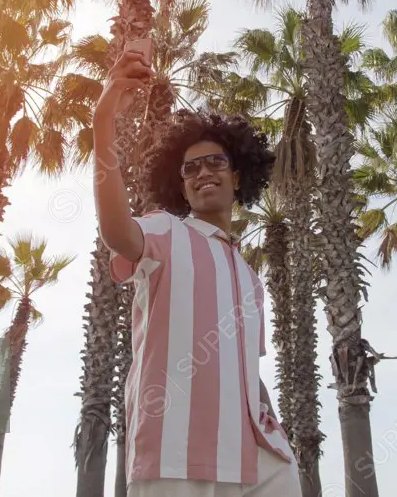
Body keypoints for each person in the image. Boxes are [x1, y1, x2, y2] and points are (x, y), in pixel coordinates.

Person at [92, 46, 302, 497]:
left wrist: (272, 420)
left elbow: (247, 365)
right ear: (181, 185)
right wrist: (103, 121)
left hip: (261, 458)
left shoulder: (250, 277)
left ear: (239, 176)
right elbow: (116, 232)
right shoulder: (165, 230)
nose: (203, 172)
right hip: (174, 455)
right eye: (190, 169)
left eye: (215, 162)